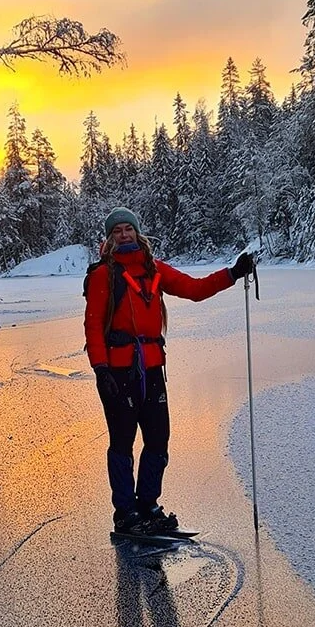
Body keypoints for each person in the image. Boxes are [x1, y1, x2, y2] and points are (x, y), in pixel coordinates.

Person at [84, 207, 255, 537]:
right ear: (110, 238)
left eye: (128, 229)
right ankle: (126, 515)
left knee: (158, 439)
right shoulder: (103, 275)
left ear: (137, 232)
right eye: (117, 230)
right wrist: (100, 369)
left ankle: (148, 505)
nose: (124, 234)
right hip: (118, 373)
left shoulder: (154, 269)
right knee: (122, 443)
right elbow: (93, 325)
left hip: (152, 369)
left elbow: (194, 289)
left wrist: (232, 274)